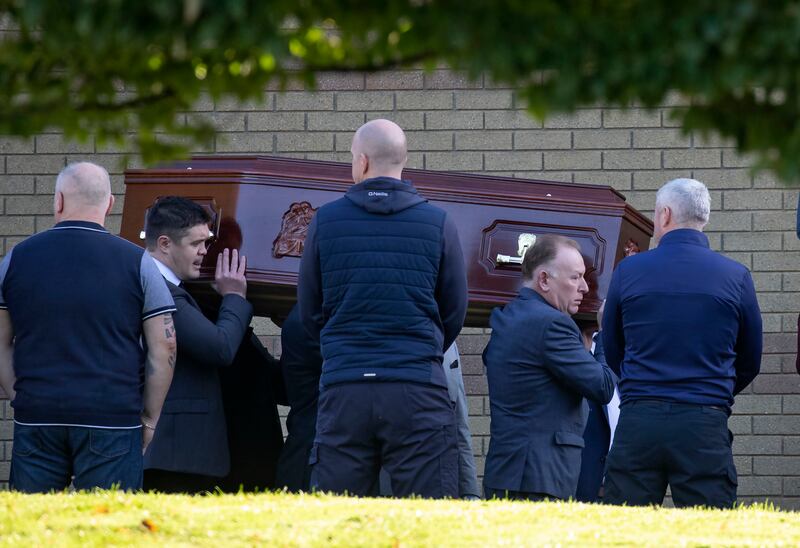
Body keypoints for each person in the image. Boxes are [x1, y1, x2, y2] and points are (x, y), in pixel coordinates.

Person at [297, 119, 468, 498]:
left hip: (346, 387)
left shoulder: (325, 221)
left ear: (361, 161)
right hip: (417, 386)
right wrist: (424, 349)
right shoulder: (437, 222)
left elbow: (309, 309)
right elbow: (454, 309)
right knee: (427, 513)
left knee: (341, 515)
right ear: (403, 161)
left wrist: (339, 348)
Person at [0, 162, 176, 492]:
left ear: (58, 201)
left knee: (34, 530)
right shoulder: (138, 262)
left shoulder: (15, 259)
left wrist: (19, 394)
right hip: (112, 417)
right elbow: (164, 346)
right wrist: (149, 419)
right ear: (109, 204)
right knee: (110, 528)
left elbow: (0, 342)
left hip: (38, 414)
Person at [602, 178, 762, 509]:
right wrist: (715, 391)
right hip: (704, 422)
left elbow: (613, 346)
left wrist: (638, 385)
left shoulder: (628, 271)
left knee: (627, 529)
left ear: (664, 215)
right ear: (703, 218)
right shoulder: (736, 276)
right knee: (710, 531)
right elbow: (750, 357)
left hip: (639, 419)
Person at [482, 234, 617, 501]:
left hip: (506, 473)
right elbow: (602, 387)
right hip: (540, 478)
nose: (585, 288)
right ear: (544, 279)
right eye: (575, 277)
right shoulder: (553, 324)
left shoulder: (507, 316)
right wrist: (602, 336)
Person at [142, 196, 253, 493]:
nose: (206, 252)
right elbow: (220, 348)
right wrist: (234, 297)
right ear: (165, 244)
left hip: (171, 452)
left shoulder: (150, 283)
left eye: (207, 242)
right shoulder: (162, 293)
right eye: (196, 244)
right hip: (174, 454)